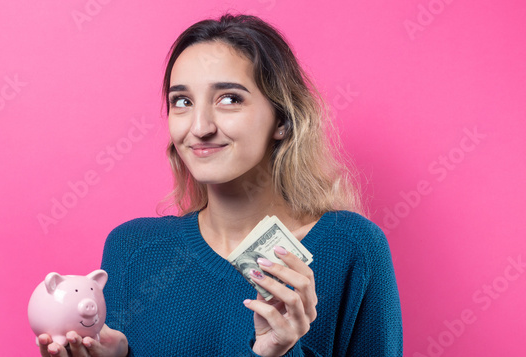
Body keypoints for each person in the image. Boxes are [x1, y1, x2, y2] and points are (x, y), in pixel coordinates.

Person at [36, 13, 402, 357]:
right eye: (182, 101)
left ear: (283, 120)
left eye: (229, 99)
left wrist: (279, 352)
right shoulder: (132, 248)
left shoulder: (353, 247)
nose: (200, 127)